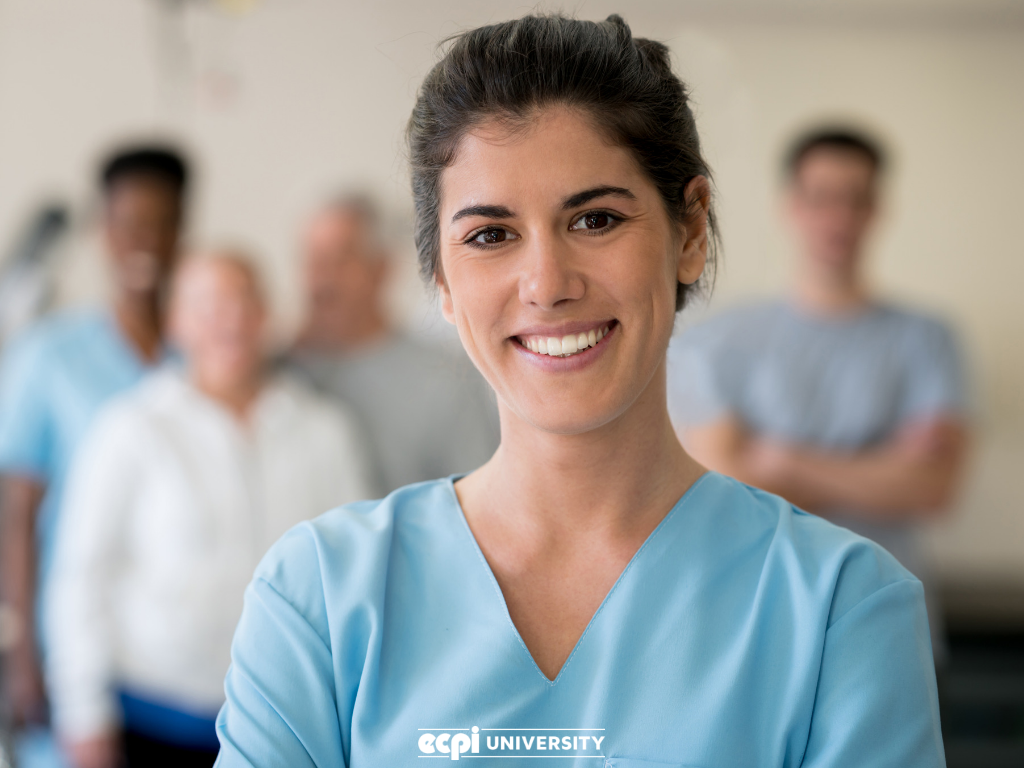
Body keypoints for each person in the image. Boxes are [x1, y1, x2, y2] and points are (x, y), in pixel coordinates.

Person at [216, 15, 944, 766]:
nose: (547, 285)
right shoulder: (321, 599)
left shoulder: (840, 610)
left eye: (595, 219)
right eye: (491, 235)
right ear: (439, 277)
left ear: (690, 232)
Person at [45, 251, 373, 768]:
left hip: (285, 723)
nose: (230, 318)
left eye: (243, 299)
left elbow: (356, 572)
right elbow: (81, 577)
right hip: (148, 721)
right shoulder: (131, 427)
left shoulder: (323, 430)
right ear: (176, 321)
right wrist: (82, 716)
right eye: (207, 304)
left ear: (266, 315)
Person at [668, 127, 969, 660]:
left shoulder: (926, 339)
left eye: (857, 199)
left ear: (877, 209)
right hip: (757, 624)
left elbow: (931, 485)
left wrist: (780, 457)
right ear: (792, 206)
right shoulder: (718, 342)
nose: (840, 216)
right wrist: (878, 470)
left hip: (889, 624)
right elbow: (722, 484)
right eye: (823, 196)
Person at [0, 146, 188, 764]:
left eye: (161, 222)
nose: (144, 241)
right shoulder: (50, 356)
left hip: (172, 663)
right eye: (128, 222)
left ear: (182, 231)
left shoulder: (202, 360)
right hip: (72, 648)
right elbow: (17, 514)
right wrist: (25, 654)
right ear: (101, 231)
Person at [288, 194, 499, 495]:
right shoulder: (277, 373)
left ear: (381, 268)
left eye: (341, 259)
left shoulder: (444, 377)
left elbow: (480, 497)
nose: (323, 280)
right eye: (313, 260)